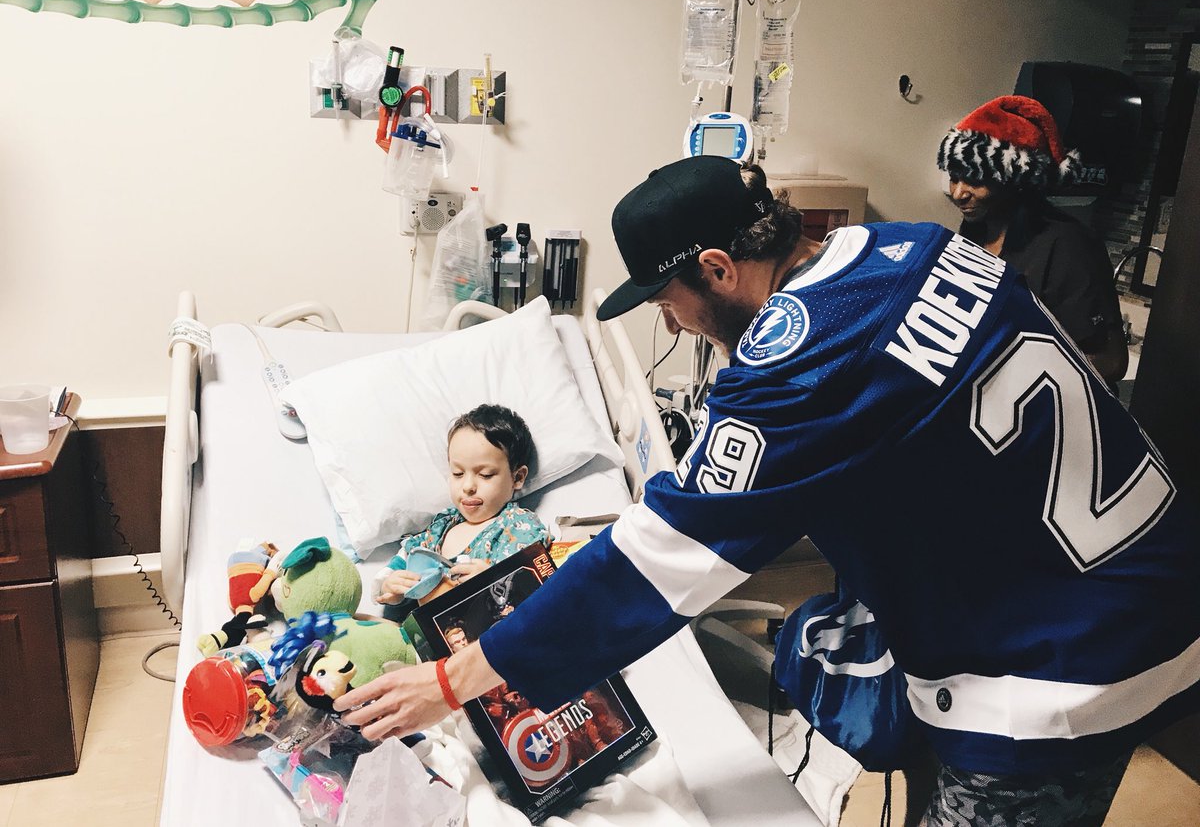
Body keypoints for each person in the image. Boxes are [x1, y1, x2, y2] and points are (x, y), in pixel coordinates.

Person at [338, 156, 1200, 826]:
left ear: (718, 269)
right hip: (1153, 572)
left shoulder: (796, 363)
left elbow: (649, 566)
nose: (670, 324)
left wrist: (457, 679)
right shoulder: (920, 245)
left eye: (668, 302)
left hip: (1062, 670)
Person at [938, 94, 1128, 385]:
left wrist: (1010, 378)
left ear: (1015, 178)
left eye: (975, 179)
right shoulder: (976, 229)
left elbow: (1111, 362)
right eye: (954, 177)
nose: (958, 193)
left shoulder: (1068, 245)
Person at [373, 404, 548, 610]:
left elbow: (540, 584)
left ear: (517, 477)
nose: (467, 486)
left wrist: (494, 577)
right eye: (457, 473)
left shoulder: (517, 526)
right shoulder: (442, 527)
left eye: (485, 475)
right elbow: (401, 563)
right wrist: (389, 586)